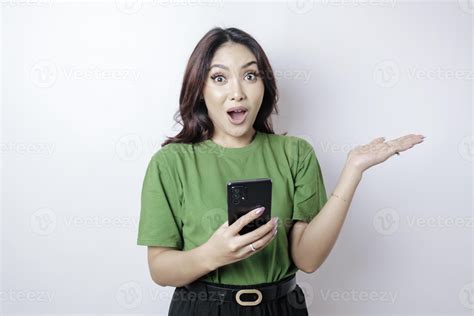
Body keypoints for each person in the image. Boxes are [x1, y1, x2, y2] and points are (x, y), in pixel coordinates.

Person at [136, 27, 425, 316]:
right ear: (200, 88)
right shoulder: (171, 162)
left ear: (264, 84)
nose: (237, 93)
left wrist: (352, 172)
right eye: (219, 78)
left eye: (250, 76)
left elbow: (307, 259)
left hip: (282, 308)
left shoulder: (295, 153)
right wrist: (212, 255)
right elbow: (160, 269)